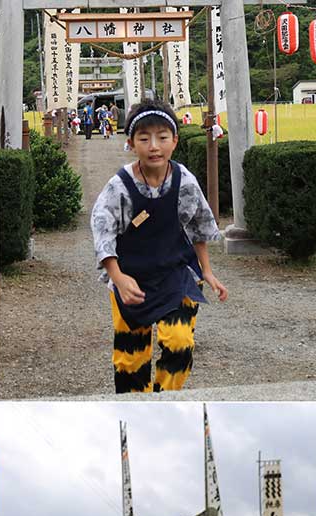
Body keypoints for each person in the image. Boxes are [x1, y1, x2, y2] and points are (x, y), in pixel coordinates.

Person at [90, 98, 229, 394]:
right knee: (130, 361)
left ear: (174, 141)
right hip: (131, 278)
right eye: (144, 138)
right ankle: (136, 406)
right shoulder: (119, 187)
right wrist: (117, 277)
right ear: (130, 142)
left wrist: (207, 271)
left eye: (162, 137)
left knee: (179, 345)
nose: (154, 146)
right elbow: (103, 231)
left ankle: (163, 398)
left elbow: (199, 225)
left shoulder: (185, 181)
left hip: (175, 274)